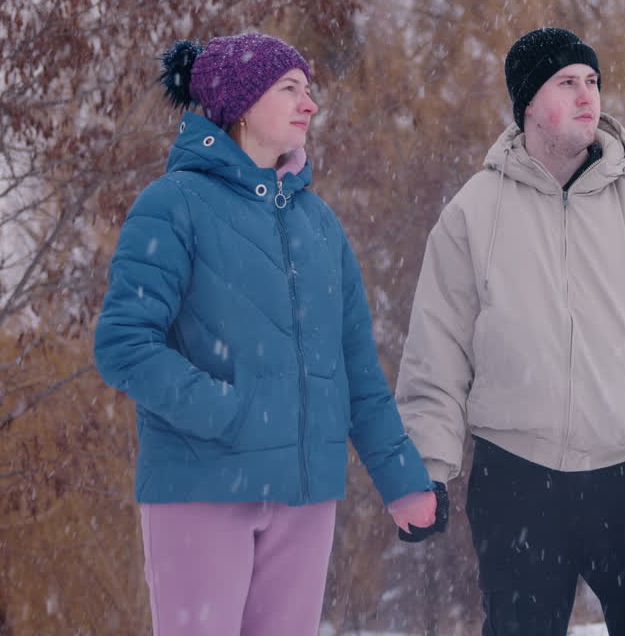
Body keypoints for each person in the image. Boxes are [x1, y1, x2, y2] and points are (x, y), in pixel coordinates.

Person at [94, 32, 438, 636]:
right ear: (243, 105)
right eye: (289, 88)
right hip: (202, 485)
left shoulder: (320, 224)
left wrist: (401, 479)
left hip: (305, 498)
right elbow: (124, 343)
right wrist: (227, 414)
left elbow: (356, 368)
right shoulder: (173, 205)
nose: (309, 104)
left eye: (309, 90)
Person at [394, 27, 625, 635]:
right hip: (517, 479)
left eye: (593, 81)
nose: (588, 95)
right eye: (567, 82)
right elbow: (436, 355)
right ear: (528, 103)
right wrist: (428, 466)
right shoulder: (474, 213)